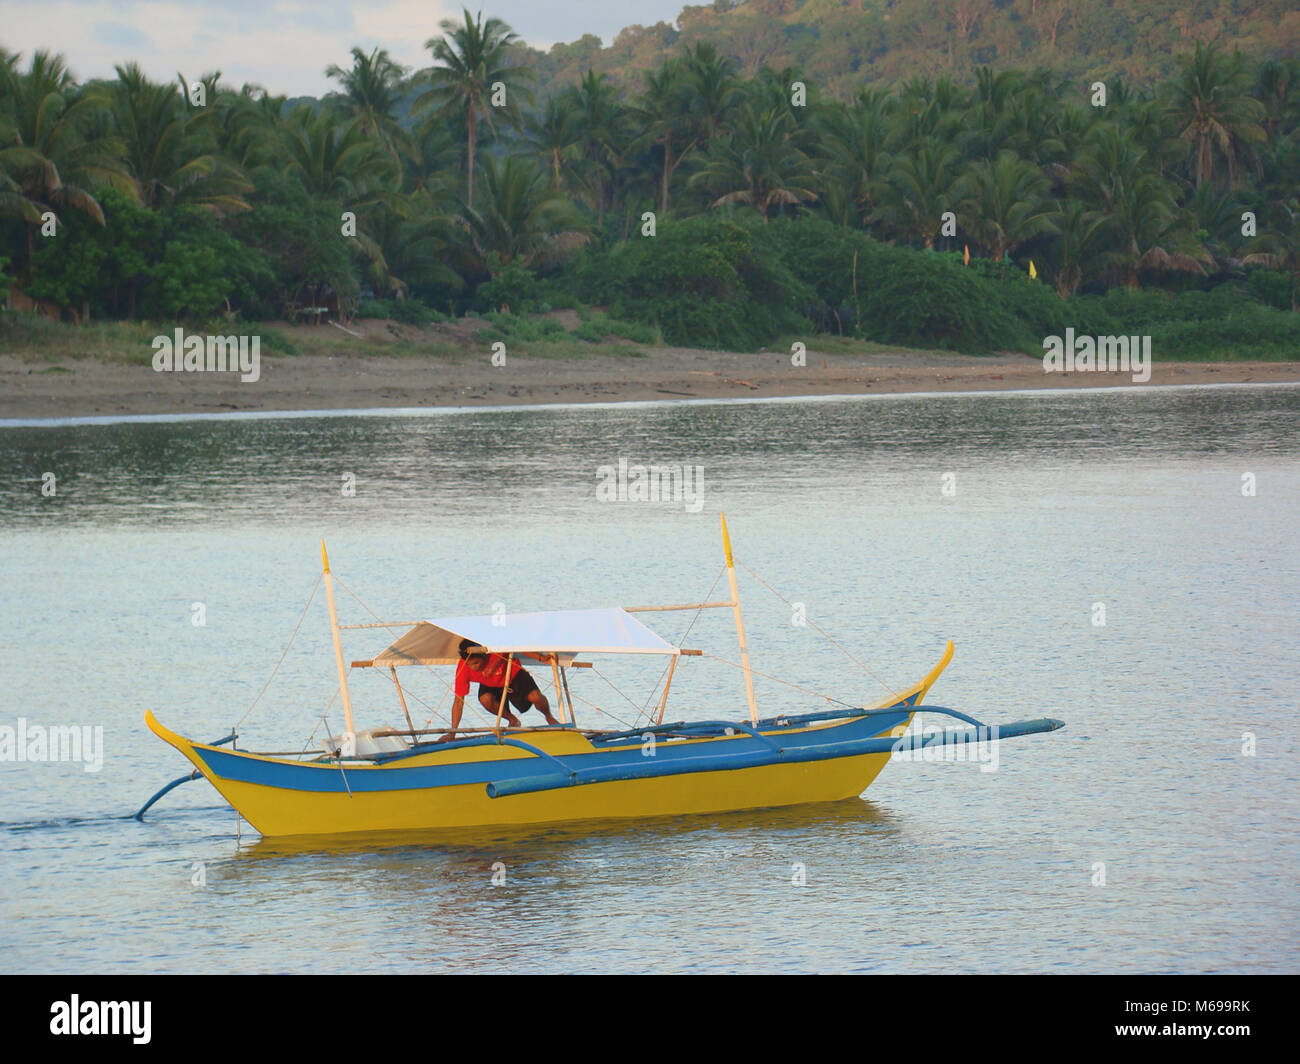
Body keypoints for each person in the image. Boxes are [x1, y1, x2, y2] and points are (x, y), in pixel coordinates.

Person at [446, 638, 560, 737]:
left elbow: (514, 645)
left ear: (484, 657)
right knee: (485, 699)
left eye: (476, 663)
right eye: (469, 664)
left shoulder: (495, 650)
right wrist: (452, 733)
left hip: (513, 676)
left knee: (536, 697)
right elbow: (458, 702)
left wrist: (540, 658)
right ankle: (512, 720)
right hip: (491, 685)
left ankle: (549, 717)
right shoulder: (463, 668)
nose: (473, 667)